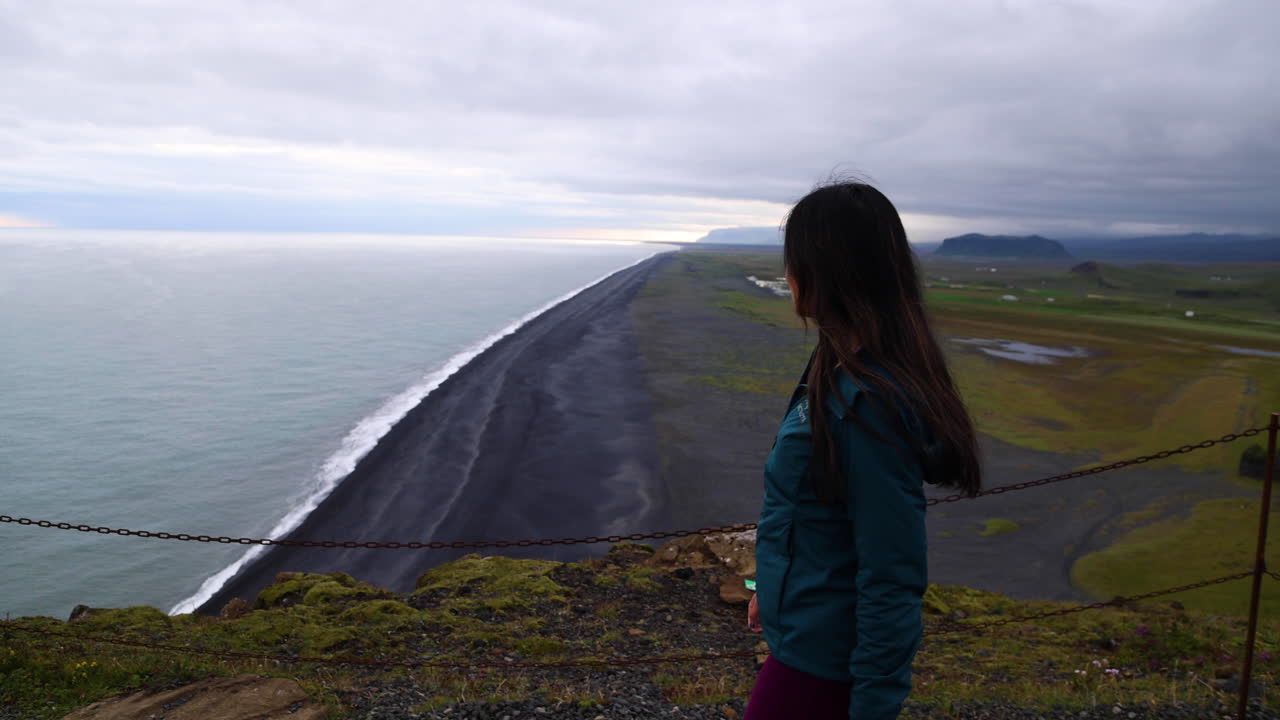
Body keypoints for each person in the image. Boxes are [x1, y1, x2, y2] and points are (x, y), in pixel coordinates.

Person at [744, 182, 983, 720]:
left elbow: (891, 570)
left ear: (828, 272)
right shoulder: (833, 365)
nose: (788, 276)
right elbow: (809, 513)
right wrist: (767, 586)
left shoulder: (868, 402)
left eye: (795, 261)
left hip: (827, 666)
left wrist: (873, 704)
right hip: (804, 639)